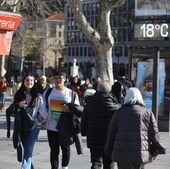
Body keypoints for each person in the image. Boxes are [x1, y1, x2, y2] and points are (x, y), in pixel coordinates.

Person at [105, 87, 165, 169]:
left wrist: (108, 150)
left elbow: (111, 133)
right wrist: (158, 149)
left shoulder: (119, 112)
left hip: (122, 153)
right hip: (140, 153)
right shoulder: (147, 112)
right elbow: (154, 134)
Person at [44, 71, 81, 169]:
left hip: (66, 127)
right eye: (56, 78)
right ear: (53, 79)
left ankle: (64, 167)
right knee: (54, 151)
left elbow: (78, 109)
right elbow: (43, 107)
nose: (58, 80)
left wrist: (69, 109)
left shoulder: (71, 93)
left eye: (60, 78)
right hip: (51, 127)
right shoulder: (48, 92)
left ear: (65, 79)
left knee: (65, 149)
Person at [81, 80, 121, 169]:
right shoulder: (116, 106)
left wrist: (83, 132)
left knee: (96, 162)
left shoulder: (90, 103)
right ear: (110, 90)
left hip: (94, 138)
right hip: (109, 139)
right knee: (109, 163)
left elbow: (84, 120)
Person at [11, 74, 47, 169]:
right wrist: (18, 105)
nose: (29, 82)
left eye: (31, 80)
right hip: (21, 126)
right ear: (24, 81)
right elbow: (11, 109)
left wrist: (40, 116)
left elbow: (43, 111)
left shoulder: (38, 96)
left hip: (34, 127)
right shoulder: (18, 94)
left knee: (27, 150)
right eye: (27, 80)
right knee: (27, 151)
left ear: (34, 82)